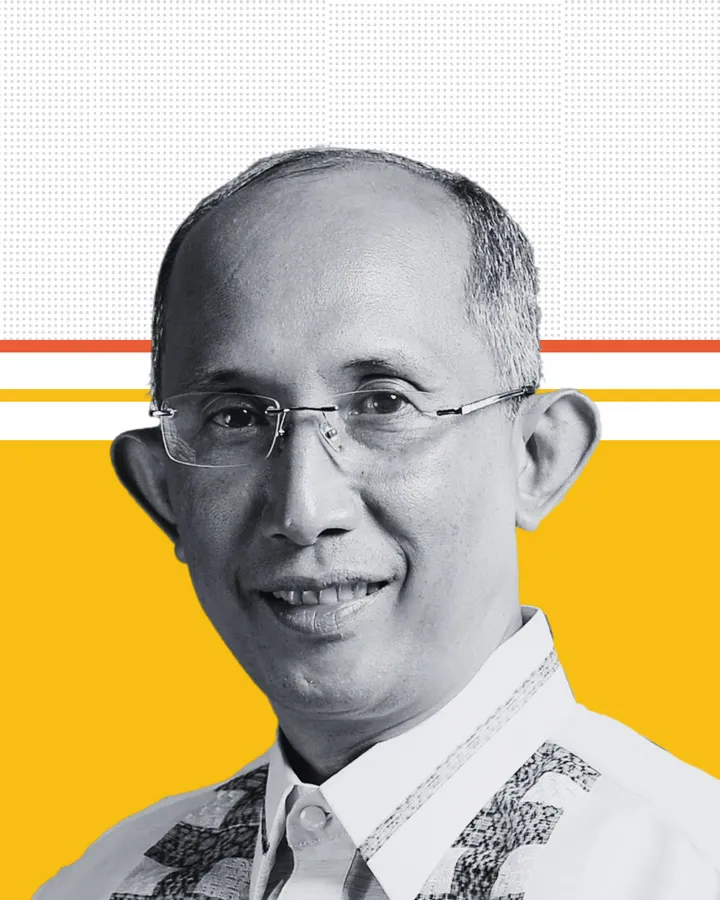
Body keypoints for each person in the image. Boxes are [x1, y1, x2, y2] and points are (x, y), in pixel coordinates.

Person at [35, 148, 720, 900]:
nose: (304, 510)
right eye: (234, 417)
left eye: (385, 403)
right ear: (164, 491)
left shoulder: (683, 870)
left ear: (534, 457)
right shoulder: (96, 884)